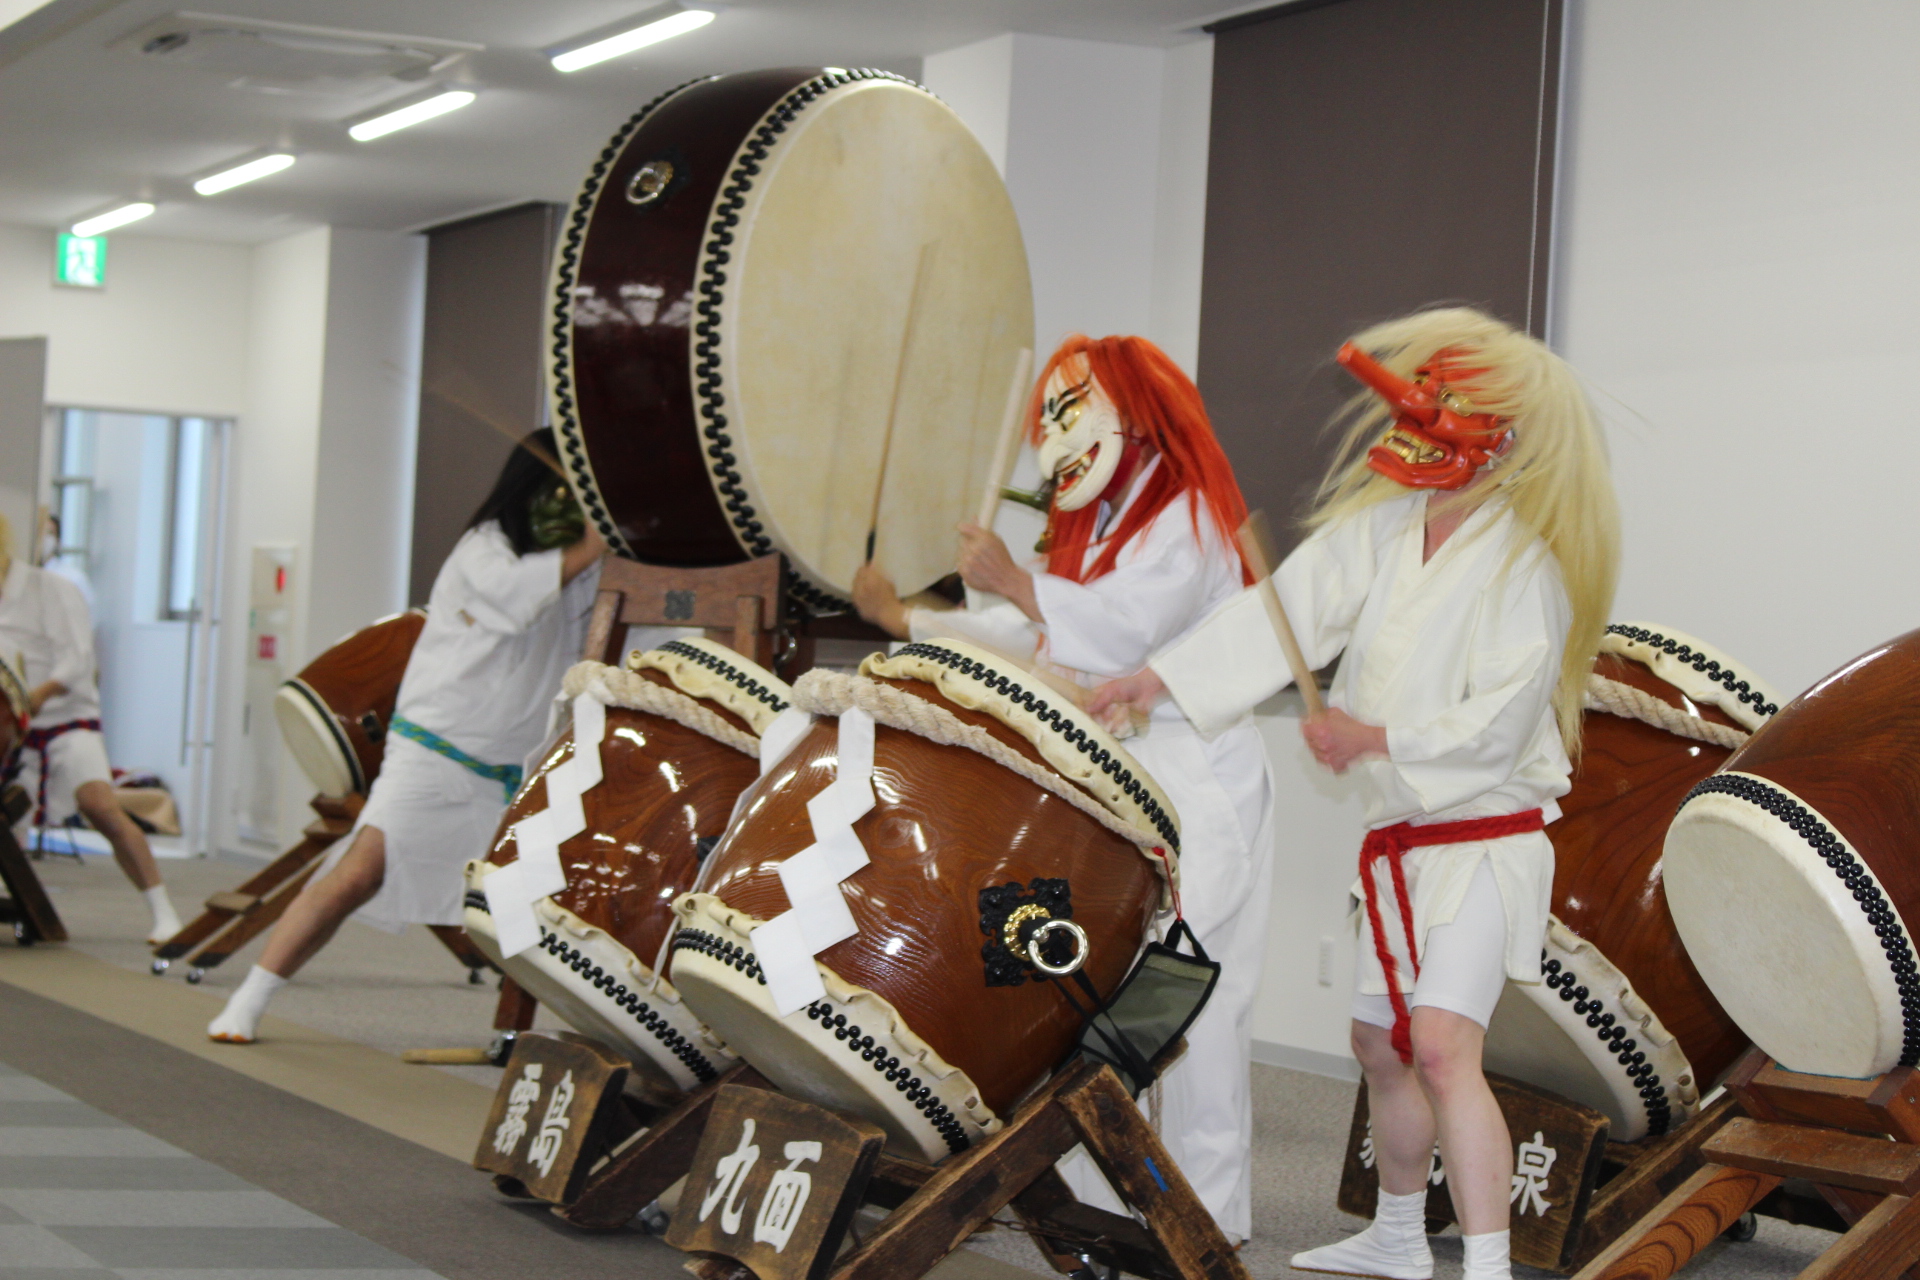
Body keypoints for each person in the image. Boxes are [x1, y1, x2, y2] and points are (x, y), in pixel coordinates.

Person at [1091, 307, 1620, 1280]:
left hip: (1481, 842)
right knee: (1381, 1041)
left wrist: (1373, 735)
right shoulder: (1380, 531)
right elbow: (1279, 614)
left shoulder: (1524, 563)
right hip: (1401, 840)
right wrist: (1154, 681)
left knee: (1446, 1046)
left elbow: (1500, 723)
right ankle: (1399, 1232)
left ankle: (1492, 1264)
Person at [852, 334, 1274, 1243]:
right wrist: (910, 619)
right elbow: (1034, 634)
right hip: (1116, 778)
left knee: (1191, 988)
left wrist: (1016, 579)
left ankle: (1203, 1209)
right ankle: (1088, 1190)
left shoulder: (1191, 514)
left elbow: (1122, 631)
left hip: (1196, 776)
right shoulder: (1112, 520)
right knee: (1092, 981)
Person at [208, 431, 605, 1043]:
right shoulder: (484, 549)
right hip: (435, 748)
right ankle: (251, 997)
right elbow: (516, 600)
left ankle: (516, 1032)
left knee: (537, 901)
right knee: (358, 872)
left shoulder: (583, 565)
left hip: (515, 762)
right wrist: (599, 536)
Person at [0, 514, 181, 943]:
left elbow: (77, 661)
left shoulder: (52, 589)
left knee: (100, 807)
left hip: (64, 720)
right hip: (12, 732)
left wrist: (32, 700)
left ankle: (164, 910)